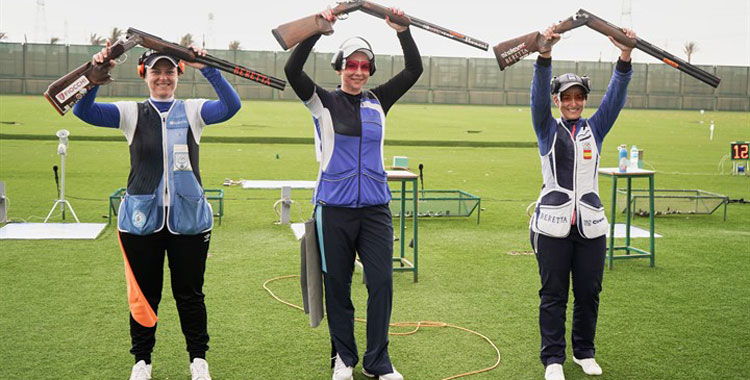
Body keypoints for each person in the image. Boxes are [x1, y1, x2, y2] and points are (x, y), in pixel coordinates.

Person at [72, 44, 241, 380]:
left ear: (178, 75)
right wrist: (94, 74)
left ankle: (198, 361)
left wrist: (205, 66)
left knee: (190, 295)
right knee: (144, 297)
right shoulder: (131, 112)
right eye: (155, 72)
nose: (163, 78)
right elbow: (83, 112)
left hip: (189, 221)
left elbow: (231, 106)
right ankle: (142, 362)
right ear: (144, 75)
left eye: (169, 72)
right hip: (140, 220)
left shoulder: (193, 110)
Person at [284, 6, 423, 380]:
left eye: (364, 66)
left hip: (376, 209)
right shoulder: (322, 102)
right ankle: (344, 359)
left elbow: (413, 70)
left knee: (381, 284)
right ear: (340, 68)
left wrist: (402, 31)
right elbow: (292, 71)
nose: (358, 72)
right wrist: (318, 28)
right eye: (351, 65)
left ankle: (378, 361)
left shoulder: (380, 100)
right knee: (337, 287)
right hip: (333, 210)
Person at [528, 26, 636, 380]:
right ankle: (553, 358)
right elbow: (537, 101)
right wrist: (544, 57)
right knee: (554, 294)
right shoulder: (547, 127)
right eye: (566, 97)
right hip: (553, 227)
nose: (573, 102)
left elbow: (615, 100)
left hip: (591, 227)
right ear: (558, 100)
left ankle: (584, 351)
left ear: (584, 100)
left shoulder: (596, 129)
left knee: (589, 292)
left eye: (579, 97)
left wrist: (624, 58)